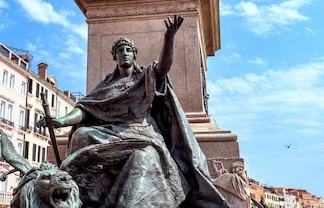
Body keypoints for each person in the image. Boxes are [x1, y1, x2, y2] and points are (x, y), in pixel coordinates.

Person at [38, 16, 229, 208]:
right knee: (81, 134)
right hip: (113, 132)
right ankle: (82, 196)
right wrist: (60, 121)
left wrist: (169, 38)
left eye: (128, 50)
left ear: (134, 55)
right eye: (120, 50)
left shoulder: (145, 77)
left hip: (141, 132)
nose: (124, 53)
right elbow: (85, 109)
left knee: (143, 156)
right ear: (115, 57)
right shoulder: (106, 85)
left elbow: (163, 67)